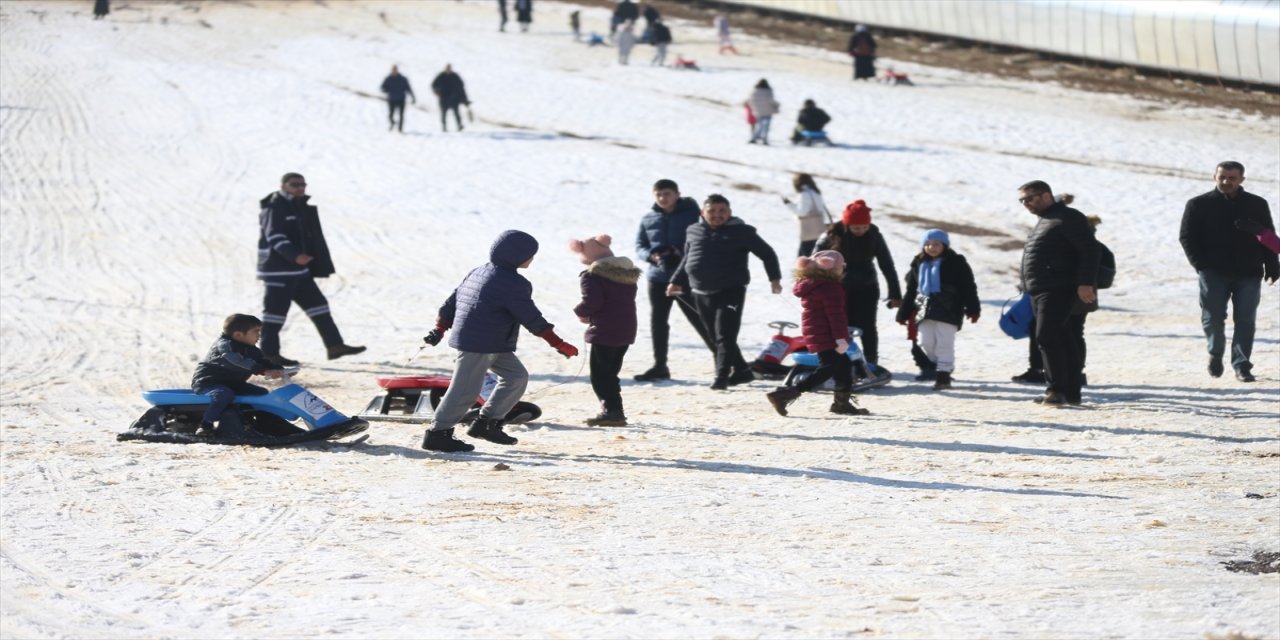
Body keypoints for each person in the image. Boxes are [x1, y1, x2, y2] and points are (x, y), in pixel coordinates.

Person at [421, 230, 579, 452]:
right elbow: (531, 318)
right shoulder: (512, 284)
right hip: (478, 343)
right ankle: (438, 434)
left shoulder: (478, 271)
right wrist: (559, 343)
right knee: (464, 390)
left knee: (516, 377)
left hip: (492, 342)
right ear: (516, 255)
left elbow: (450, 304)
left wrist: (439, 328)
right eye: (530, 254)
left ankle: (486, 423)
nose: (532, 259)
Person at [667, 194, 783, 390]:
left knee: (725, 335)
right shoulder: (693, 230)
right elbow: (688, 258)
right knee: (714, 335)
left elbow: (767, 253)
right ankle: (742, 371)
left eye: (722, 211)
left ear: (730, 213)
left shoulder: (742, 232)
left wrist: (774, 279)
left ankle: (721, 377)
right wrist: (675, 281)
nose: (717, 215)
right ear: (703, 212)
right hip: (700, 291)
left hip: (731, 290)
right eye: (712, 211)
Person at [1179, 161, 1278, 382]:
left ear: (1241, 179)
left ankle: (1241, 365)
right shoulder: (1198, 204)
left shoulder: (1256, 204)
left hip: (1250, 272)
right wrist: (1201, 265)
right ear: (1214, 177)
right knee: (1213, 317)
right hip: (1213, 272)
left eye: (1232, 178)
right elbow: (1186, 237)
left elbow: (1268, 234)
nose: (1226, 181)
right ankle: (1215, 353)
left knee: (1245, 320)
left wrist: (1272, 264)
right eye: (1222, 177)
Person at [257, 173, 365, 367]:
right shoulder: (275, 207)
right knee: (275, 314)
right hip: (279, 272)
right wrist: (294, 255)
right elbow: (274, 236)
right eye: (295, 184)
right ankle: (269, 355)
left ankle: (335, 345)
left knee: (319, 307)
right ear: (283, 185)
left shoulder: (297, 206)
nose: (300, 188)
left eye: (302, 184)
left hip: (299, 272)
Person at [1018, 180, 1100, 405]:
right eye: (1022, 200)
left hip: (1057, 287)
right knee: (1063, 337)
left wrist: (1085, 282)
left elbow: (1090, 250)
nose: (1026, 203)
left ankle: (1056, 391)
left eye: (1030, 198)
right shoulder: (1046, 220)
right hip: (1042, 288)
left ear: (1046, 196)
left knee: (1048, 336)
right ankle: (1070, 393)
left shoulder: (1067, 216)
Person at [765, 251, 870, 417]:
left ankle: (841, 404)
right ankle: (784, 395)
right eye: (841, 266)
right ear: (833, 268)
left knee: (843, 366)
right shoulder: (830, 288)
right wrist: (840, 339)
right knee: (828, 368)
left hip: (817, 332)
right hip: (827, 334)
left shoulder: (812, 284)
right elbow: (836, 316)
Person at [634, 178, 714, 381]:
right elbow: (640, 246)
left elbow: (704, 237)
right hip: (657, 278)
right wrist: (651, 256)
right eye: (658, 195)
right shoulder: (648, 218)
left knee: (700, 318)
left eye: (667, 194)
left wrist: (681, 253)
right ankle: (660, 365)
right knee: (658, 322)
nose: (663, 198)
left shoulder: (692, 214)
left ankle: (724, 360)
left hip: (685, 277)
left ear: (677, 194)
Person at [814, 199, 902, 370]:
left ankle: (870, 361)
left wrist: (895, 293)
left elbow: (887, 264)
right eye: (856, 228)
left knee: (867, 325)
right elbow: (814, 263)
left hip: (867, 287)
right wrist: (814, 289)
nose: (861, 231)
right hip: (838, 288)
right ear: (847, 224)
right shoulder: (831, 235)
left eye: (864, 227)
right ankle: (843, 359)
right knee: (840, 325)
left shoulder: (875, 235)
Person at [570, 235, 642, 426]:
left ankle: (612, 411)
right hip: (626, 329)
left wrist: (581, 312)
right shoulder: (626, 274)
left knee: (600, 375)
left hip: (605, 330)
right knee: (611, 373)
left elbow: (592, 302)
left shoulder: (592, 276)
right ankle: (615, 409)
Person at [896, 230, 980, 390]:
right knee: (924, 342)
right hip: (924, 309)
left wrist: (973, 308)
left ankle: (943, 375)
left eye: (936, 244)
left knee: (944, 343)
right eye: (927, 244)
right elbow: (911, 290)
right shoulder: (918, 263)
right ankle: (942, 364)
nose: (931, 247)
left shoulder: (956, 262)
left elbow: (968, 287)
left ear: (944, 245)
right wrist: (903, 313)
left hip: (950, 309)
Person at [191, 314, 283, 435]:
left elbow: (262, 362)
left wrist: (279, 369)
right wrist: (262, 371)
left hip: (233, 384)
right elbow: (236, 361)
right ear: (238, 334)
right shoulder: (225, 346)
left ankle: (253, 421)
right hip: (208, 383)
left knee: (261, 393)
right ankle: (206, 424)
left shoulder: (251, 349)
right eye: (256, 332)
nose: (259, 336)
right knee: (223, 394)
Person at [782, 173, 831, 257]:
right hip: (819, 228)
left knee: (804, 257)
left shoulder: (805, 194)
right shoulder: (816, 192)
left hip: (808, 231)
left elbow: (802, 212)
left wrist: (789, 205)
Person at [431, 64, 469, 133]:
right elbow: (433, 85)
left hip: (454, 99)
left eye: (449, 68)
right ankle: (444, 127)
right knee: (444, 113)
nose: (448, 70)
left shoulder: (455, 76)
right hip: (444, 98)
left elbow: (461, 87)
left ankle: (459, 126)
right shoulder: (441, 76)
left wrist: (464, 99)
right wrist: (437, 92)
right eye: (447, 68)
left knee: (457, 113)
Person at [380, 65, 415, 133]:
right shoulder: (388, 79)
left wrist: (413, 97)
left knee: (401, 115)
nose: (394, 71)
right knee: (391, 115)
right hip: (391, 99)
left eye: (395, 70)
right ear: (391, 70)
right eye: (393, 70)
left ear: (397, 70)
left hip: (401, 99)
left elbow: (408, 88)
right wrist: (386, 90)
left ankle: (400, 128)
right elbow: (382, 87)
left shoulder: (402, 79)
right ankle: (392, 123)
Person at [745, 79, 779, 145]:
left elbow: (751, 101)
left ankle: (754, 138)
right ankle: (764, 139)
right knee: (766, 125)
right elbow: (771, 100)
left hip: (758, 110)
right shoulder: (768, 91)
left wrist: (754, 108)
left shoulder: (755, 91)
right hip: (768, 111)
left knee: (759, 125)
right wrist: (776, 105)